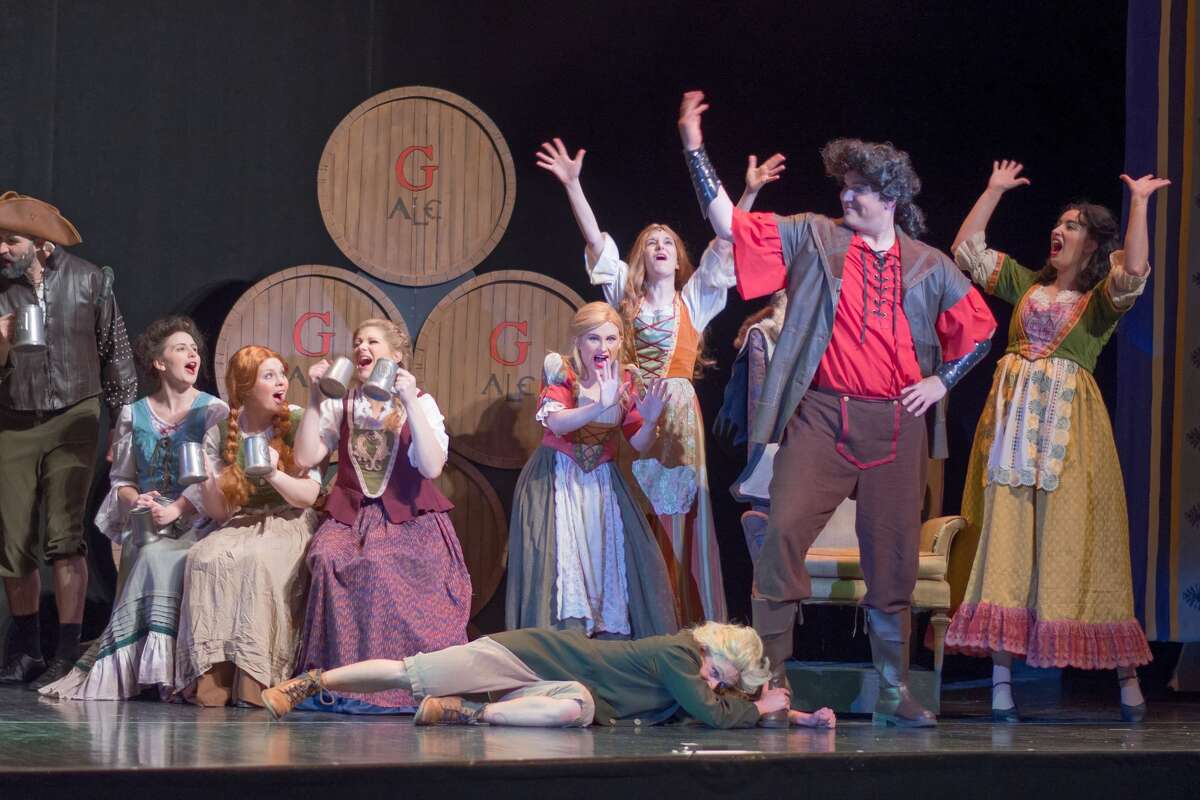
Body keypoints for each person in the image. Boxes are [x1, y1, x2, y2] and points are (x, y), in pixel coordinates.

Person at [677, 91, 997, 726]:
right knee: (782, 539)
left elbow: (981, 330)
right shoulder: (816, 238)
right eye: (844, 186)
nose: (847, 198)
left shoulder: (929, 266)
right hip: (822, 417)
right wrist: (694, 146)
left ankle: (892, 692)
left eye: (860, 190)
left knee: (894, 561)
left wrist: (941, 382)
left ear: (892, 198)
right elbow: (729, 226)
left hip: (898, 425)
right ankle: (772, 685)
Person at [943, 161, 1168, 722]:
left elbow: (1135, 269)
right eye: (1060, 221)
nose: (1060, 229)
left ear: (1092, 245)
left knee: (1079, 548)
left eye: (1074, 224)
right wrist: (993, 188)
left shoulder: (1097, 304)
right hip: (1013, 436)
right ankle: (1000, 683)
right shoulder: (1026, 285)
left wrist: (1139, 203)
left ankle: (1126, 677)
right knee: (1006, 545)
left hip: (1070, 438)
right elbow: (967, 249)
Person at [536, 139, 785, 625]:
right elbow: (596, 243)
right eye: (651, 242)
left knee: (680, 512)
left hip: (678, 416)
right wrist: (572, 184)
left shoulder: (694, 301)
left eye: (668, 241)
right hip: (630, 409)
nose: (660, 247)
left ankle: (683, 617)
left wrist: (748, 194)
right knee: (632, 507)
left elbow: (726, 244)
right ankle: (634, 615)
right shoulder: (624, 298)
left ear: (678, 255)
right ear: (640, 257)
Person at [40, 317, 227, 699]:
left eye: (195, 350)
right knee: (145, 547)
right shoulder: (134, 414)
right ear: (159, 363)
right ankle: (142, 669)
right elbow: (121, 480)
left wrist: (177, 508)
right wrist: (136, 499)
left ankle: (172, 674)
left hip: (198, 521)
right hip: (148, 522)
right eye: (181, 348)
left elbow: (216, 478)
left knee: (157, 558)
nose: (192, 354)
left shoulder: (212, 411)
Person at [292, 318, 471, 712]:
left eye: (372, 341)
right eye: (357, 342)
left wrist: (408, 401)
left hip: (409, 516)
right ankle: (342, 680)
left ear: (396, 355)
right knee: (327, 557)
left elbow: (431, 467)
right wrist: (313, 398)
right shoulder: (343, 402)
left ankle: (412, 685)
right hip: (353, 516)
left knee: (386, 566)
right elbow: (305, 457)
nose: (361, 348)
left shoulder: (420, 402)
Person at [0, 191, 138, 689]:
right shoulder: (1, 290)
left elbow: (116, 352)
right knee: (12, 541)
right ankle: (26, 650)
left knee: (64, 538)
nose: (1, 250)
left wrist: (123, 423)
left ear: (41, 245)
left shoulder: (89, 281)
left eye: (9, 240)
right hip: (11, 418)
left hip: (75, 413)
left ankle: (65, 650)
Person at [261, 620, 836, 730]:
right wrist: (759, 708)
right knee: (413, 674)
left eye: (723, 680)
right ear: (711, 651)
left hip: (563, 687)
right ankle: (313, 682)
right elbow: (714, 715)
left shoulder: (699, 672)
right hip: (529, 656)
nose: (715, 683)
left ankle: (467, 713)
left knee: (576, 709)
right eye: (720, 672)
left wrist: (795, 715)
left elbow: (729, 704)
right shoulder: (680, 656)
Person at [506, 302, 677, 639]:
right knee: (556, 564)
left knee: (608, 563)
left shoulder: (628, 378)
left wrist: (653, 419)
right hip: (557, 477)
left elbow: (639, 442)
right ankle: (561, 644)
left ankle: (607, 646)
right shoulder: (562, 370)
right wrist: (600, 403)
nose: (604, 348)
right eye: (594, 339)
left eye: (612, 339)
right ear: (580, 342)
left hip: (601, 482)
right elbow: (555, 421)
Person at [174, 345, 321, 707]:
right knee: (203, 559)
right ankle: (213, 683)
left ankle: (256, 684)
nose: (281, 382)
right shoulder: (222, 433)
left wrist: (273, 473)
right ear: (244, 387)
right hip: (242, 522)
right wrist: (207, 477)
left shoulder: (301, 421)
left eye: (282, 374)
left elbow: (308, 496)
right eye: (268, 375)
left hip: (290, 518)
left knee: (258, 562)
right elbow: (221, 513)